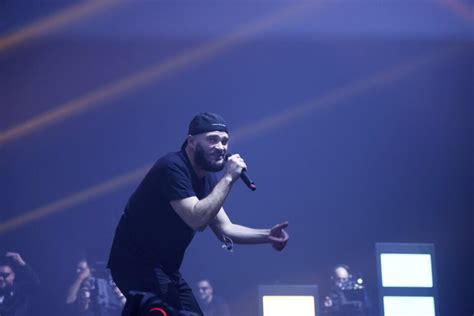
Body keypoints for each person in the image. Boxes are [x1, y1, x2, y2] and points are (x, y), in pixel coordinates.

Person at [107, 112, 289, 315]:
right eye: (212, 140)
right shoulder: (172, 168)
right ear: (191, 142)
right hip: (135, 264)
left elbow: (225, 228)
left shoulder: (207, 180)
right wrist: (228, 178)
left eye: (225, 141)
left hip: (166, 269)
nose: (221, 147)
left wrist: (267, 235)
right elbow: (196, 219)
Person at [0, 252, 40, 316]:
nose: (1, 278)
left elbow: (34, 283)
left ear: (13, 275)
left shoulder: (20, 291)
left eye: (5, 275)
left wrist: (21, 262)